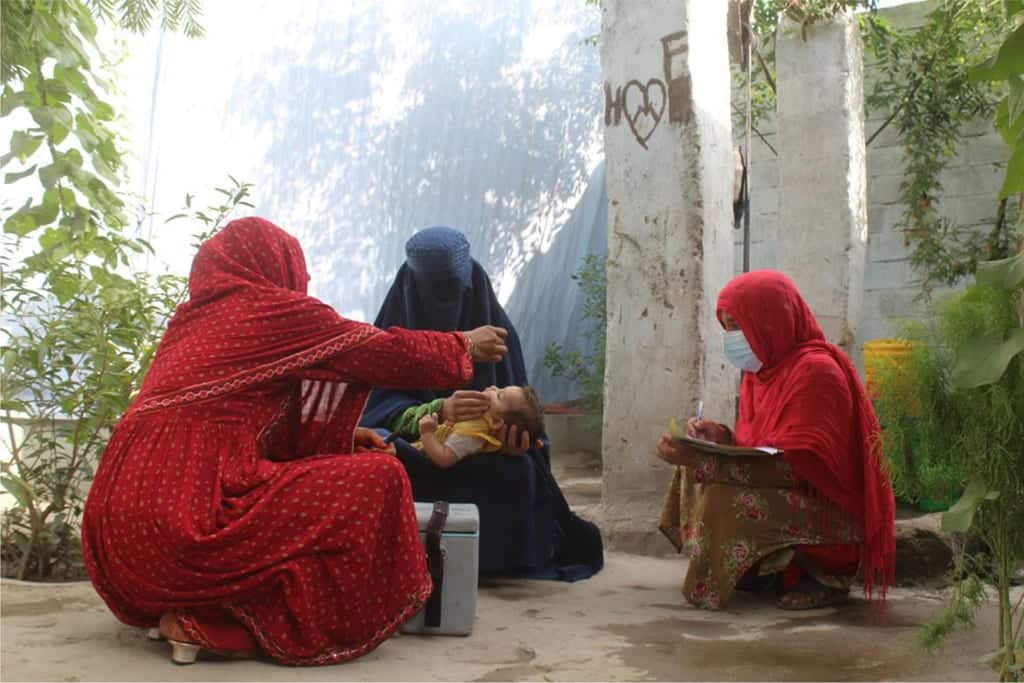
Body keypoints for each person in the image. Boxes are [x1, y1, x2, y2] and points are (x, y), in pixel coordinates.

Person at [81, 217, 511, 665]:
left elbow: (240, 419)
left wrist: (344, 436)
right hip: (184, 523)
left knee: (350, 466)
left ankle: (194, 609)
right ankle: (217, 622)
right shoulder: (268, 309)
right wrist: (460, 344)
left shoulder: (190, 321)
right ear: (276, 266)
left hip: (116, 544)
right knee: (379, 476)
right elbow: (376, 351)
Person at [361, 226, 603, 580]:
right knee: (376, 458)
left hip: (478, 458)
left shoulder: (495, 331)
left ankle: (493, 560)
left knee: (521, 472)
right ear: (411, 289)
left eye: (452, 292)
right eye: (432, 293)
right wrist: (436, 410)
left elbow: (524, 410)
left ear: (470, 285)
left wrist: (516, 440)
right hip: (418, 450)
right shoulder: (392, 334)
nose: (443, 304)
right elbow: (372, 409)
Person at [655, 270, 895, 610]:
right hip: (786, 485)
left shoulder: (816, 372)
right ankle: (761, 568)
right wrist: (717, 437)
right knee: (695, 471)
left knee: (721, 488)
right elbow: (761, 445)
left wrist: (705, 459)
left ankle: (825, 574)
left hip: (827, 505)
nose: (732, 338)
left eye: (738, 326)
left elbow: (795, 466)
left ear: (771, 320)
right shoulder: (762, 372)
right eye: (726, 327)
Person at [414, 385, 544, 468]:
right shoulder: (475, 420)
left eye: (499, 395)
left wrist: (427, 433)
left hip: (421, 461)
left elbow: (443, 458)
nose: (493, 388)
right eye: (500, 388)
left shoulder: (473, 434)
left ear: (496, 422)